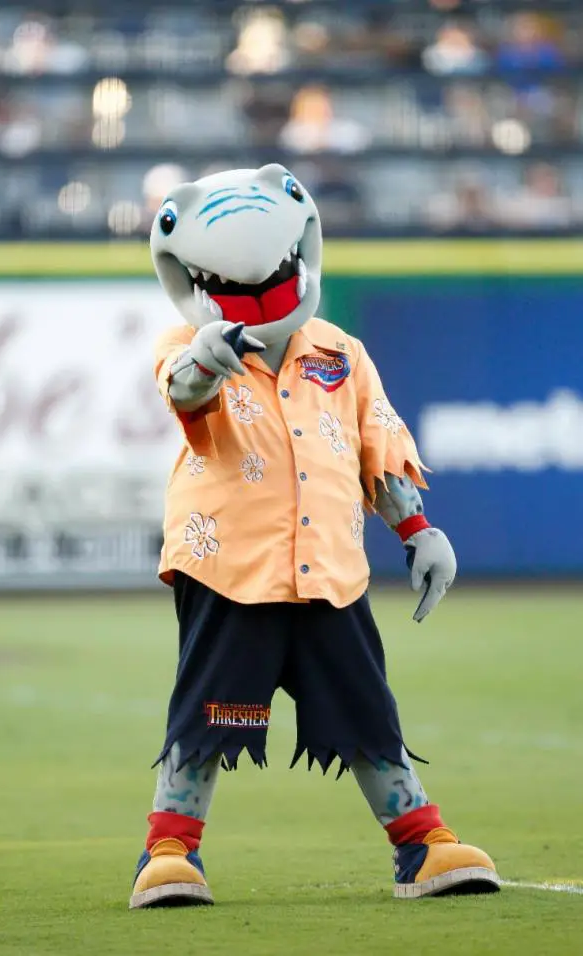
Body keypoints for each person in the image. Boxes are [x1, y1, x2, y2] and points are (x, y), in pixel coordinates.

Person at [129, 162, 500, 909]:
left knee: (366, 709)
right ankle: (168, 850)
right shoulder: (189, 341)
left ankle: (421, 843)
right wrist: (208, 355)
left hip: (331, 569)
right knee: (208, 712)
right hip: (231, 567)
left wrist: (418, 528)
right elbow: (182, 389)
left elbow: (378, 447)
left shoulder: (341, 351)